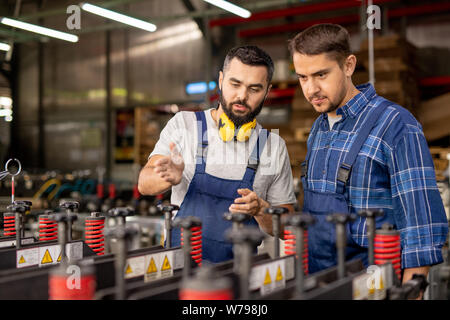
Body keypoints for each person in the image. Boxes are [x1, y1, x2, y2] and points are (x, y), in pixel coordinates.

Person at [289, 24, 448, 284]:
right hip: (320, 281)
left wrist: (412, 289)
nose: (311, 89)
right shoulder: (319, 129)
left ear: (349, 65)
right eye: (303, 77)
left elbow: (422, 225)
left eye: (321, 75)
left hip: (374, 283)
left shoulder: (395, 124)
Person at [138, 46, 296, 263]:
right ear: (221, 80)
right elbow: (144, 184)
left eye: (254, 88)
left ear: (267, 91)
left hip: (239, 276)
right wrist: (165, 177)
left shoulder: (273, 146)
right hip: (177, 270)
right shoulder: (184, 125)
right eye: (235, 84)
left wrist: (261, 209)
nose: (242, 96)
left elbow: (286, 229)